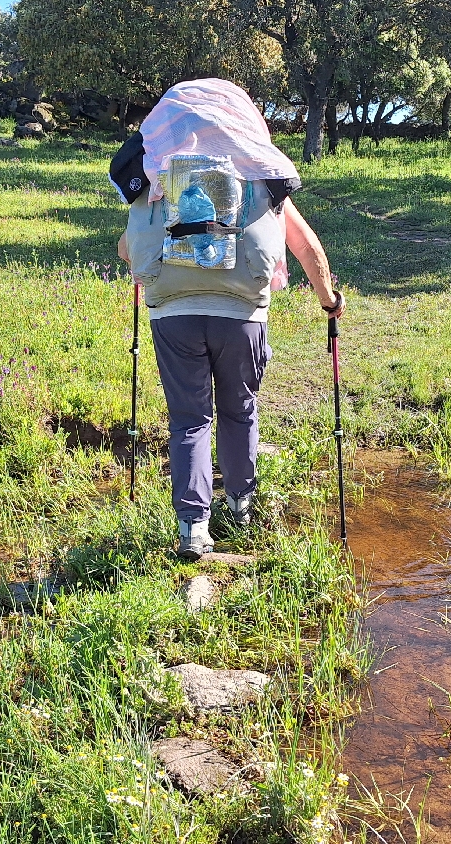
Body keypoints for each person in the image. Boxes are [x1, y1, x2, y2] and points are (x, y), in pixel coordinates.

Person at [112, 78, 345, 560]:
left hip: (173, 315)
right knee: (239, 409)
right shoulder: (259, 179)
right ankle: (240, 503)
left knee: (189, 420)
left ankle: (193, 527)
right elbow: (306, 248)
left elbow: (126, 248)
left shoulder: (157, 176)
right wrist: (330, 302)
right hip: (242, 315)